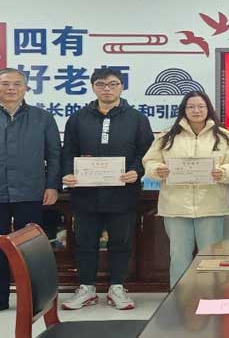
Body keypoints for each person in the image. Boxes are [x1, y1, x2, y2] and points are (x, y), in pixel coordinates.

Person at [0, 67, 61, 311]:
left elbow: (54, 156)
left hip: (31, 193)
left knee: (31, 249)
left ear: (26, 88)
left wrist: (52, 185)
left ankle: (35, 299)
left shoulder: (43, 118)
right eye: (5, 84)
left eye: (17, 84)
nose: (11, 88)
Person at [60, 68, 154, 310]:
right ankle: (87, 288)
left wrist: (137, 171)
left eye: (113, 84)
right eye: (101, 84)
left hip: (122, 192)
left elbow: (146, 152)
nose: (107, 89)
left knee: (121, 242)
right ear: (93, 87)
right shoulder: (78, 118)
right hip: (86, 193)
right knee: (85, 242)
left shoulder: (137, 118)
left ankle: (117, 287)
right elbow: (68, 151)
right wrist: (68, 173)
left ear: (121, 87)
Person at [142, 91, 229, 287]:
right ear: (184, 110)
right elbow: (149, 161)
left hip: (211, 205)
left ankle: (211, 294)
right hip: (176, 206)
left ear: (208, 109)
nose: (196, 110)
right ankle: (179, 297)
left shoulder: (224, 136)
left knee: (210, 256)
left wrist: (223, 172)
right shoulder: (168, 136)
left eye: (201, 106)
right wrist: (157, 170)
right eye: (191, 107)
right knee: (179, 256)